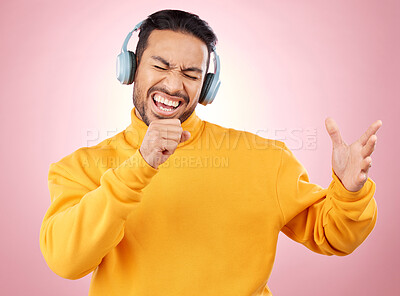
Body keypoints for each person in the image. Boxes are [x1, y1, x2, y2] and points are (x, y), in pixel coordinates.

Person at [39, 9, 382, 296]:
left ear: (207, 86)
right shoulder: (81, 167)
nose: (174, 86)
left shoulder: (264, 159)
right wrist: (140, 166)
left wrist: (349, 192)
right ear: (131, 68)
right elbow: (66, 261)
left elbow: (334, 236)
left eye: (191, 74)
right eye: (160, 66)